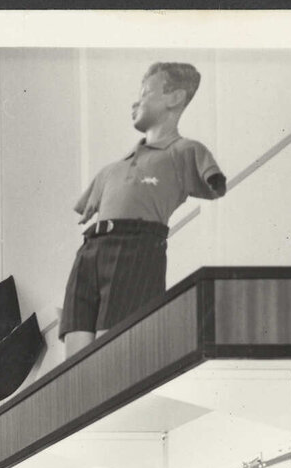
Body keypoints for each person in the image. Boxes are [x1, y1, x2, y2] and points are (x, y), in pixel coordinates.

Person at [61, 62, 227, 357]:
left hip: (136, 248)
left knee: (112, 350)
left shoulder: (184, 151)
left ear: (174, 98)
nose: (135, 102)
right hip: (90, 250)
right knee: (75, 351)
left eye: (146, 93)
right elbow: (86, 208)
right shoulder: (112, 169)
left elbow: (214, 183)